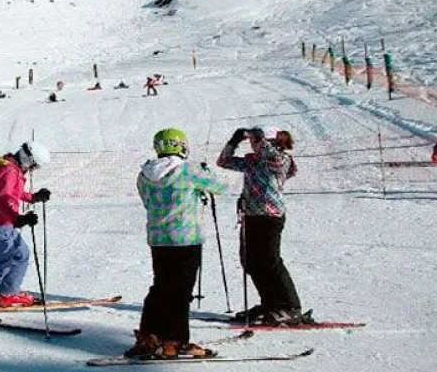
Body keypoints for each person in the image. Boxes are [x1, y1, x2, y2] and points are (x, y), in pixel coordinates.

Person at [127, 128, 226, 359]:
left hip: (158, 238)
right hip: (186, 238)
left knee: (161, 286)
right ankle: (174, 340)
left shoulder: (144, 174)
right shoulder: (188, 171)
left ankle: (149, 335)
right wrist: (205, 172)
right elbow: (220, 188)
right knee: (180, 290)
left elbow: (146, 201)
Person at [217, 126, 306, 325]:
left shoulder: (282, 159)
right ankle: (271, 303)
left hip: (270, 216)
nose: (252, 143)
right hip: (250, 216)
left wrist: (261, 137)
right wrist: (233, 142)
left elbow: (273, 158)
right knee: (250, 261)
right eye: (252, 141)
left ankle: (290, 306)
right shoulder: (251, 161)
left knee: (270, 261)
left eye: (255, 140)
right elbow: (223, 162)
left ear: (271, 142)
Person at [0, 142, 52, 320]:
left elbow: (13, 191)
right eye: (34, 166)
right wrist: (17, 219)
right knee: (2, 264)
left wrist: (33, 197)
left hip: (1, 220)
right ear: (29, 159)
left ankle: (8, 294)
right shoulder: (9, 171)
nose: (33, 170)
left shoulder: (11, 168)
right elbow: (2, 200)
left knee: (21, 254)